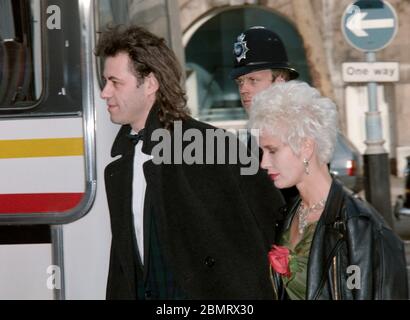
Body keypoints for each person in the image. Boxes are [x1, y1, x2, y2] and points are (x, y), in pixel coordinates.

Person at [95, 25, 285, 299]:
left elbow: (269, 233)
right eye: (105, 81)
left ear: (150, 83)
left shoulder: (213, 146)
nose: (104, 92)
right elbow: (124, 266)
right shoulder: (118, 167)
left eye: (115, 82)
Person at [248, 80, 408, 300]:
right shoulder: (287, 214)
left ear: (306, 146)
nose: (263, 162)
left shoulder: (362, 228)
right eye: (262, 151)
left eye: (272, 150)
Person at [230, 26, 299, 204]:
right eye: (240, 82)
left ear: (279, 82)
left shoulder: (299, 129)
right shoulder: (257, 130)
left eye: (253, 80)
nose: (243, 89)